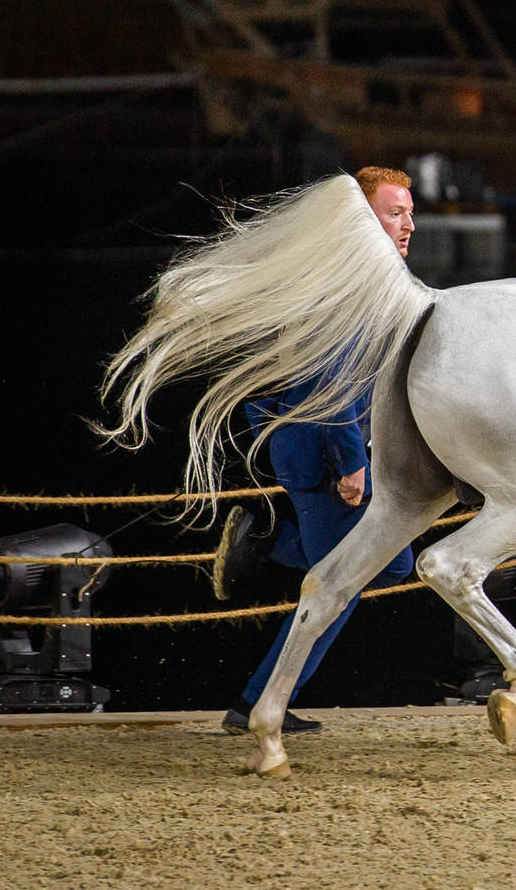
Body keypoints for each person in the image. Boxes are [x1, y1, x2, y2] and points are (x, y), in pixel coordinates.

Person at [214, 165, 418, 734]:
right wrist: (350, 461)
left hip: (312, 447)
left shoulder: (352, 280)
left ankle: (268, 545)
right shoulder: (348, 286)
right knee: (341, 587)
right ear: (361, 218)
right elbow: (330, 381)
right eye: (394, 213)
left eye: (409, 215)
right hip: (323, 457)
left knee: (391, 563)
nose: (407, 226)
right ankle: (257, 704)